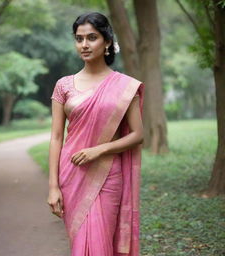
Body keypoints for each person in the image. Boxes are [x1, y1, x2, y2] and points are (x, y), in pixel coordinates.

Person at [47, 11, 145, 256]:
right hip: (73, 175)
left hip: (107, 176)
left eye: (92, 38)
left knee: (101, 245)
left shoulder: (124, 86)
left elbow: (138, 134)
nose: (84, 45)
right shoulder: (63, 85)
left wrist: (99, 149)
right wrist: (53, 186)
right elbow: (56, 137)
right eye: (79, 39)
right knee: (81, 244)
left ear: (107, 42)